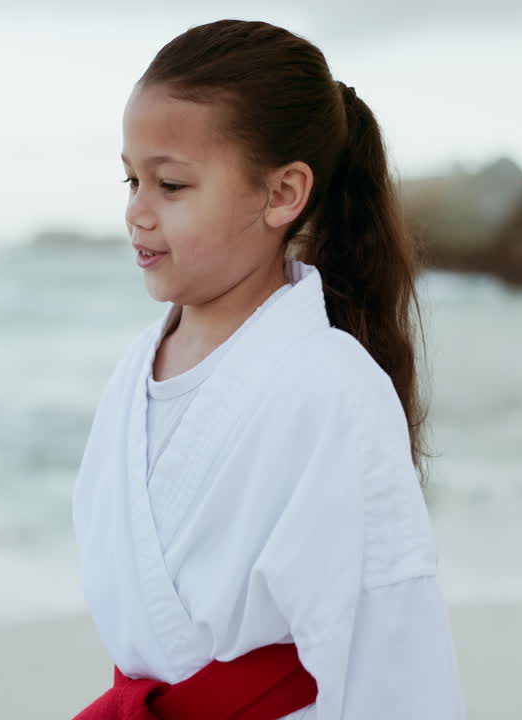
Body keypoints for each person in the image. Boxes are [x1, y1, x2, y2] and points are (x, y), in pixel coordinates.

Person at [73, 20, 465, 719]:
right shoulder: (133, 372)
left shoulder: (336, 387)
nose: (136, 211)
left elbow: (393, 642)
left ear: (283, 194)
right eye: (131, 178)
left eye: (170, 184)